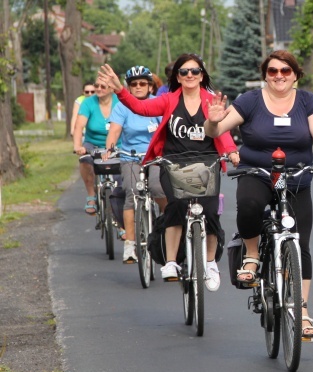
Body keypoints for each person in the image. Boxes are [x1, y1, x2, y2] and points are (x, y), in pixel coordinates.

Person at [204, 50, 313, 340]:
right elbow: (215, 130)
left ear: (295, 75)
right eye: (273, 70)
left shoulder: (307, 101)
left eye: (285, 71)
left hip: (296, 177)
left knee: (301, 244)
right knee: (250, 206)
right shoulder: (251, 100)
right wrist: (213, 121)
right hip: (258, 174)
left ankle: (301, 311)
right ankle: (252, 255)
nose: (279, 76)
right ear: (266, 73)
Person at [98, 53, 238, 292]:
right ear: (178, 77)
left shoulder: (211, 100)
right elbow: (140, 107)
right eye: (184, 72)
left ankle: (210, 263)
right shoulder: (169, 100)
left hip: (206, 162)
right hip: (173, 162)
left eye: (195, 71)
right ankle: (172, 262)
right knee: (175, 206)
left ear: (202, 75)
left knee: (212, 212)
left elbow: (221, 130)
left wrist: (232, 151)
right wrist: (121, 90)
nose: (190, 75)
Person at [103, 65, 167, 264]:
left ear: (150, 86)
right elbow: (114, 131)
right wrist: (109, 149)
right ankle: (130, 245)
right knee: (131, 193)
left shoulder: (157, 103)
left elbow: (166, 129)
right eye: (133, 84)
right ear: (128, 87)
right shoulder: (122, 106)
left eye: (142, 83)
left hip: (155, 156)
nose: (138, 87)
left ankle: (166, 226)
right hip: (130, 157)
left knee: (159, 189)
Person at [73, 78, 120, 215]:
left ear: (111, 88)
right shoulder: (88, 102)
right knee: (85, 160)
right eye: (96, 85)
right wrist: (77, 146)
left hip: (118, 143)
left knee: (120, 180)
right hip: (92, 143)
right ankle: (91, 196)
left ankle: (120, 220)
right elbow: (79, 126)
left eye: (103, 86)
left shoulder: (120, 102)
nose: (98, 89)